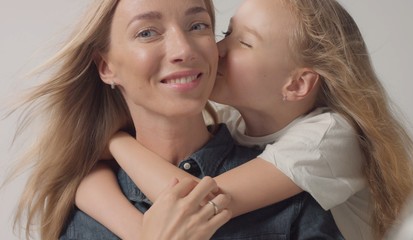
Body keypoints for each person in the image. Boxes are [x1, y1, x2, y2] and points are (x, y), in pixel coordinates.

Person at [75, 0, 413, 239]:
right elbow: (82, 182)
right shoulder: (236, 124)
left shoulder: (326, 137)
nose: (216, 49)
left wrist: (115, 142)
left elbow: (200, 203)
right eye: (225, 33)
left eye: (244, 43)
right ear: (106, 66)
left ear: (297, 83)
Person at [8, 0, 342, 239]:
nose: (183, 48)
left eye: (198, 26)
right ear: (106, 67)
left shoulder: (292, 190)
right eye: (147, 32)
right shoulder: (84, 215)